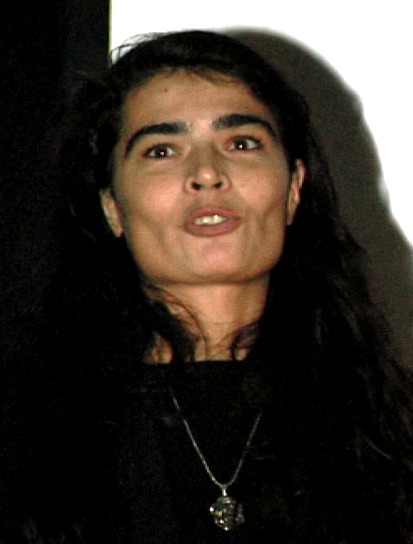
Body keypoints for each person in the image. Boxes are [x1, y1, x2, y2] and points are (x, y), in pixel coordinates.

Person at [0, 29, 412, 543]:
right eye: (161, 150)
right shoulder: (24, 437)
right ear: (112, 208)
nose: (207, 174)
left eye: (241, 143)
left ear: (293, 189)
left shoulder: (388, 434)